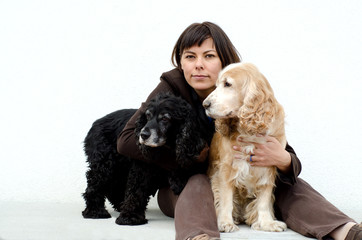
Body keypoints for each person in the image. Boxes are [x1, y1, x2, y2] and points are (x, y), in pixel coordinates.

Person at [117, 22, 361, 240]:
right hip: (181, 188)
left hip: (242, 184)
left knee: (287, 185)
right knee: (198, 182)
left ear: (224, 60)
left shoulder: (242, 83)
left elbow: (279, 148)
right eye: (190, 57)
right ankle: (199, 236)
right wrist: (189, 159)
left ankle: (344, 230)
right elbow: (126, 140)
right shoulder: (171, 87)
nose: (198, 65)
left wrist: (284, 160)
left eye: (209, 56)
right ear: (181, 62)